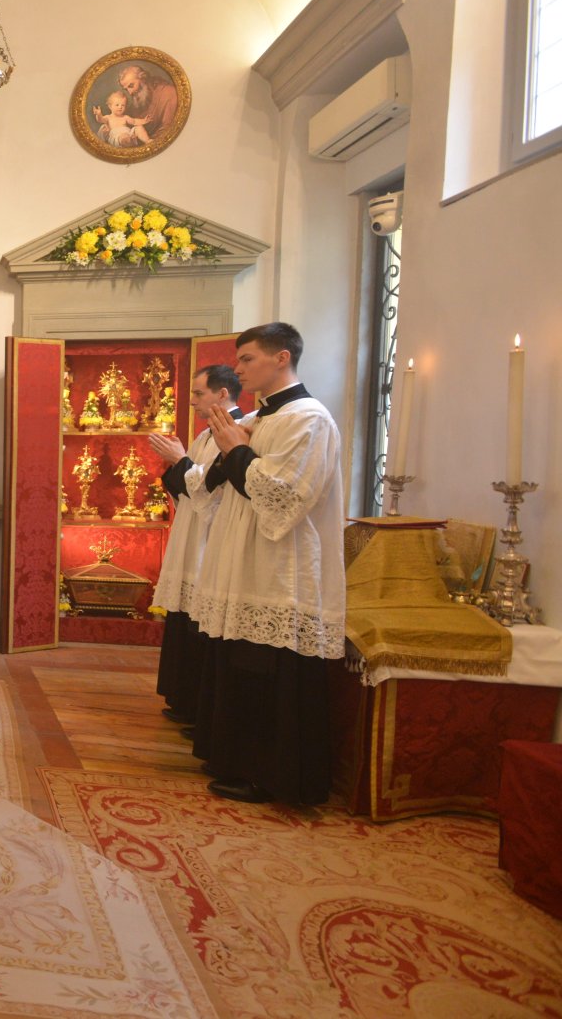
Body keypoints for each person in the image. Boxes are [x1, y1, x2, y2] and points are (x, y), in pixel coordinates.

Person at [189, 323, 345, 805]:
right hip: (245, 557)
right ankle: (238, 761)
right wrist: (230, 450)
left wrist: (237, 449)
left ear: (282, 358)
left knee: (270, 671)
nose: (237, 369)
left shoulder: (309, 419)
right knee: (243, 666)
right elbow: (216, 489)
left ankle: (277, 777)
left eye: (248, 359)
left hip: (282, 566)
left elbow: (285, 498)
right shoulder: (259, 417)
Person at [147, 365, 245, 731]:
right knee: (183, 619)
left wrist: (180, 460)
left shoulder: (237, 431)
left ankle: (199, 710)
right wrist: (178, 466)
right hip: (190, 535)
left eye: (199, 393)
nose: (192, 401)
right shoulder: (207, 434)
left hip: (210, 540)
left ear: (223, 394)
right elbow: (189, 489)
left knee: (201, 626)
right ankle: (184, 699)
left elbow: (212, 492)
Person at [117, 64, 179, 139]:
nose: (130, 92)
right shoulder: (138, 102)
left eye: (131, 86)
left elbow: (168, 129)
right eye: (126, 89)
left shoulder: (168, 92)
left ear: (143, 79)